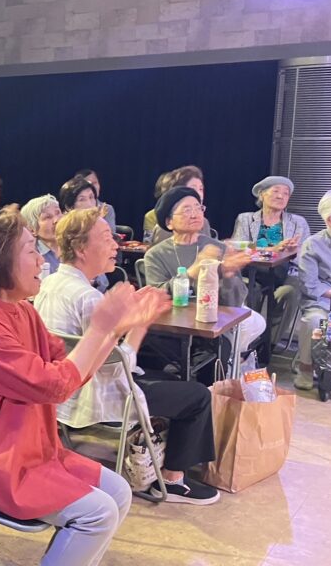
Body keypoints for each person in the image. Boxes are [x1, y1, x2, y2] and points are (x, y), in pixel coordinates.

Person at [0, 212, 166, 565]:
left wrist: (113, 329)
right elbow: (57, 385)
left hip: (33, 451)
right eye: (31, 250)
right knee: (98, 513)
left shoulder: (22, 311)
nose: (43, 261)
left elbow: (71, 374)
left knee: (119, 492)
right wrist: (101, 329)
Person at [35, 208, 219, 504]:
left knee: (165, 374)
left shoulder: (50, 283)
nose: (115, 245)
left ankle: (157, 456)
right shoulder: (87, 297)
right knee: (197, 395)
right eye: (106, 238)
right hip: (89, 398)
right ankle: (172, 480)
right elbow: (115, 369)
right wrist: (140, 323)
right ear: (81, 248)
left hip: (59, 398)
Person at [143, 187, 266, 364]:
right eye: (187, 210)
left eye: (198, 208)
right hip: (176, 326)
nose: (195, 214)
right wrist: (192, 272)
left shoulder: (217, 247)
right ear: (169, 222)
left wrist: (228, 276)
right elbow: (156, 297)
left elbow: (234, 303)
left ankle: (229, 365)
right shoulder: (155, 255)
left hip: (213, 321)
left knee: (229, 342)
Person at [233, 175, 309, 343]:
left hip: (286, 272)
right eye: (275, 191)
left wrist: (293, 251)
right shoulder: (245, 219)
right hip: (252, 272)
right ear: (262, 195)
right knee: (250, 291)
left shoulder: (298, 222)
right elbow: (238, 247)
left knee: (289, 293)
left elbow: (305, 256)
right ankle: (248, 342)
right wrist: (271, 250)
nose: (281, 196)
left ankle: (268, 345)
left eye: (286, 193)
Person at [293, 189, 331, 390]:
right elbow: (309, 284)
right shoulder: (313, 244)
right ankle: (305, 368)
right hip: (322, 301)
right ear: (329, 219)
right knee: (314, 321)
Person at [145, 166, 214, 245]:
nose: (199, 194)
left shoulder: (204, 223)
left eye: (201, 189)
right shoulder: (168, 224)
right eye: (193, 188)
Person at [21, 194, 65, 274]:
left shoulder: (76, 245)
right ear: (32, 229)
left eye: (58, 213)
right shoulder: (31, 257)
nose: (56, 220)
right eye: (48, 217)